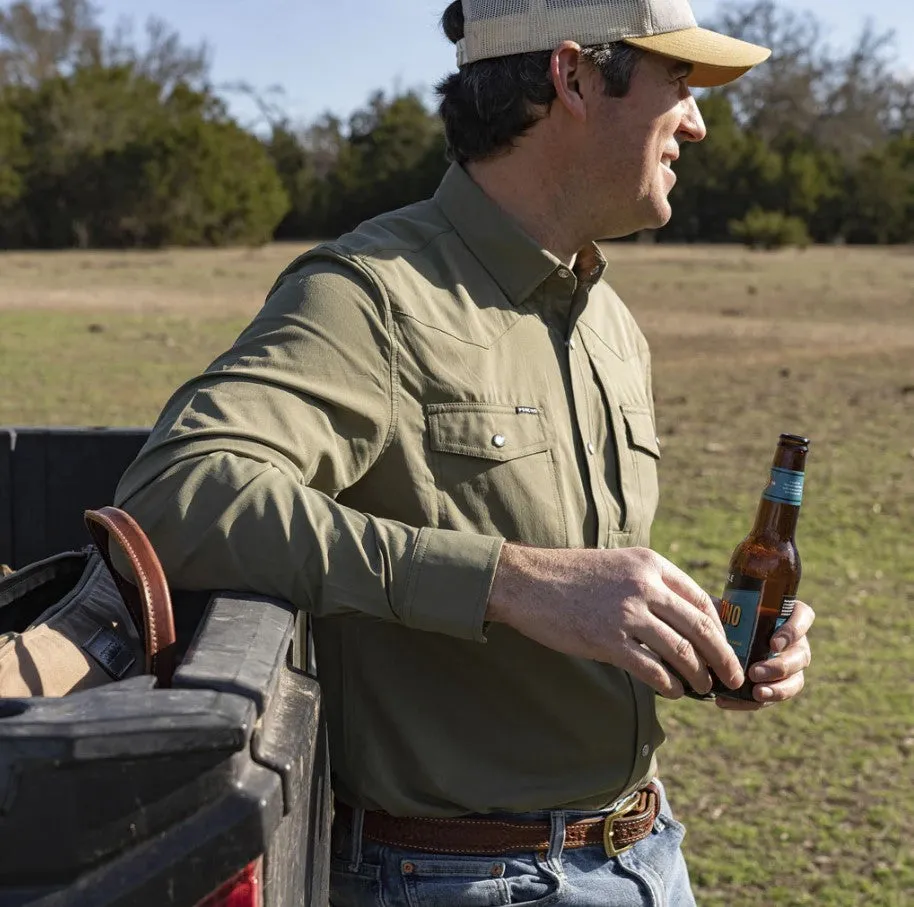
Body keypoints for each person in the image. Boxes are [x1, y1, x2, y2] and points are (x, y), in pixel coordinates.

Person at [114, 1, 815, 904]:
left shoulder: (607, 317)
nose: (697, 118)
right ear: (571, 77)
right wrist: (507, 580)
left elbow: (578, 599)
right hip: (461, 877)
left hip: (647, 850)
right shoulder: (371, 298)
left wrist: (709, 642)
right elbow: (176, 492)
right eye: (676, 82)